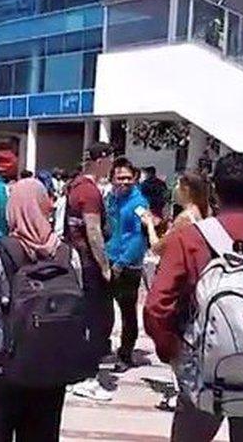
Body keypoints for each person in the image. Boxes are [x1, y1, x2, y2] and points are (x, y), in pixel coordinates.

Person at [144, 152, 243, 442]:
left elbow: (157, 306)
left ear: (215, 190)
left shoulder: (190, 239)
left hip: (201, 368)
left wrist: (172, 351)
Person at [0, 178, 81, 442]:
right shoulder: (66, 253)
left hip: (6, 354)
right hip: (51, 358)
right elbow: (77, 298)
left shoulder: (0, 251)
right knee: (41, 432)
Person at [65, 142, 114, 401]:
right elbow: (93, 231)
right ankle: (88, 376)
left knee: (83, 319)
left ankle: (78, 372)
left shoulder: (74, 186)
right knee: (97, 320)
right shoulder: (89, 191)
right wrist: (104, 266)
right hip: (88, 263)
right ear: (101, 160)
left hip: (76, 261)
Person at [105, 157, 150, 373]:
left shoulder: (138, 203)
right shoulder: (113, 199)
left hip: (128, 266)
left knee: (127, 313)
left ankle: (126, 353)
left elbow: (138, 239)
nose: (123, 182)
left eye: (127, 178)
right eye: (119, 177)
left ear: (135, 178)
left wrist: (122, 262)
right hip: (110, 258)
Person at [142, 171, 210, 256]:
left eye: (177, 184)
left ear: (186, 189)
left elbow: (157, 248)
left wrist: (149, 224)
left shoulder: (185, 217)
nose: (175, 188)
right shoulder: (201, 211)